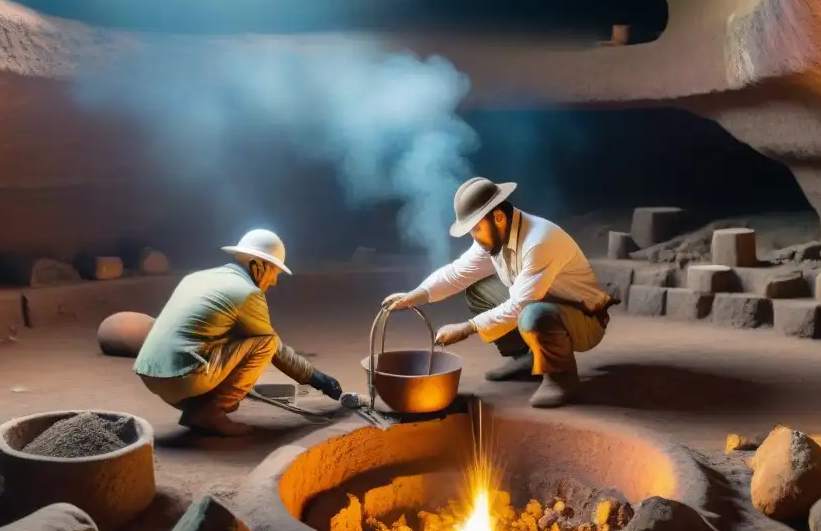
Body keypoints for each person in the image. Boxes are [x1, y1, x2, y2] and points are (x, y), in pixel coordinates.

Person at [382, 177, 613, 408]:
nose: (474, 236)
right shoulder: (496, 233)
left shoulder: (539, 241)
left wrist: (467, 328)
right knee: (479, 290)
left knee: (532, 315)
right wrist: (417, 294)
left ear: (499, 217)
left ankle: (561, 378)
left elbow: (520, 305)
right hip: (541, 303)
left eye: (475, 229)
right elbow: (458, 273)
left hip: (584, 317)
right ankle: (529, 358)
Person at [134, 229, 342, 436]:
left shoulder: (195, 277)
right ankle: (209, 412)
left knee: (234, 335)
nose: (274, 281)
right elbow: (274, 347)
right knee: (265, 342)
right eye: (274, 272)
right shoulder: (247, 292)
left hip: (149, 373)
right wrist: (316, 378)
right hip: (181, 379)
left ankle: (200, 406)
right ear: (257, 265)